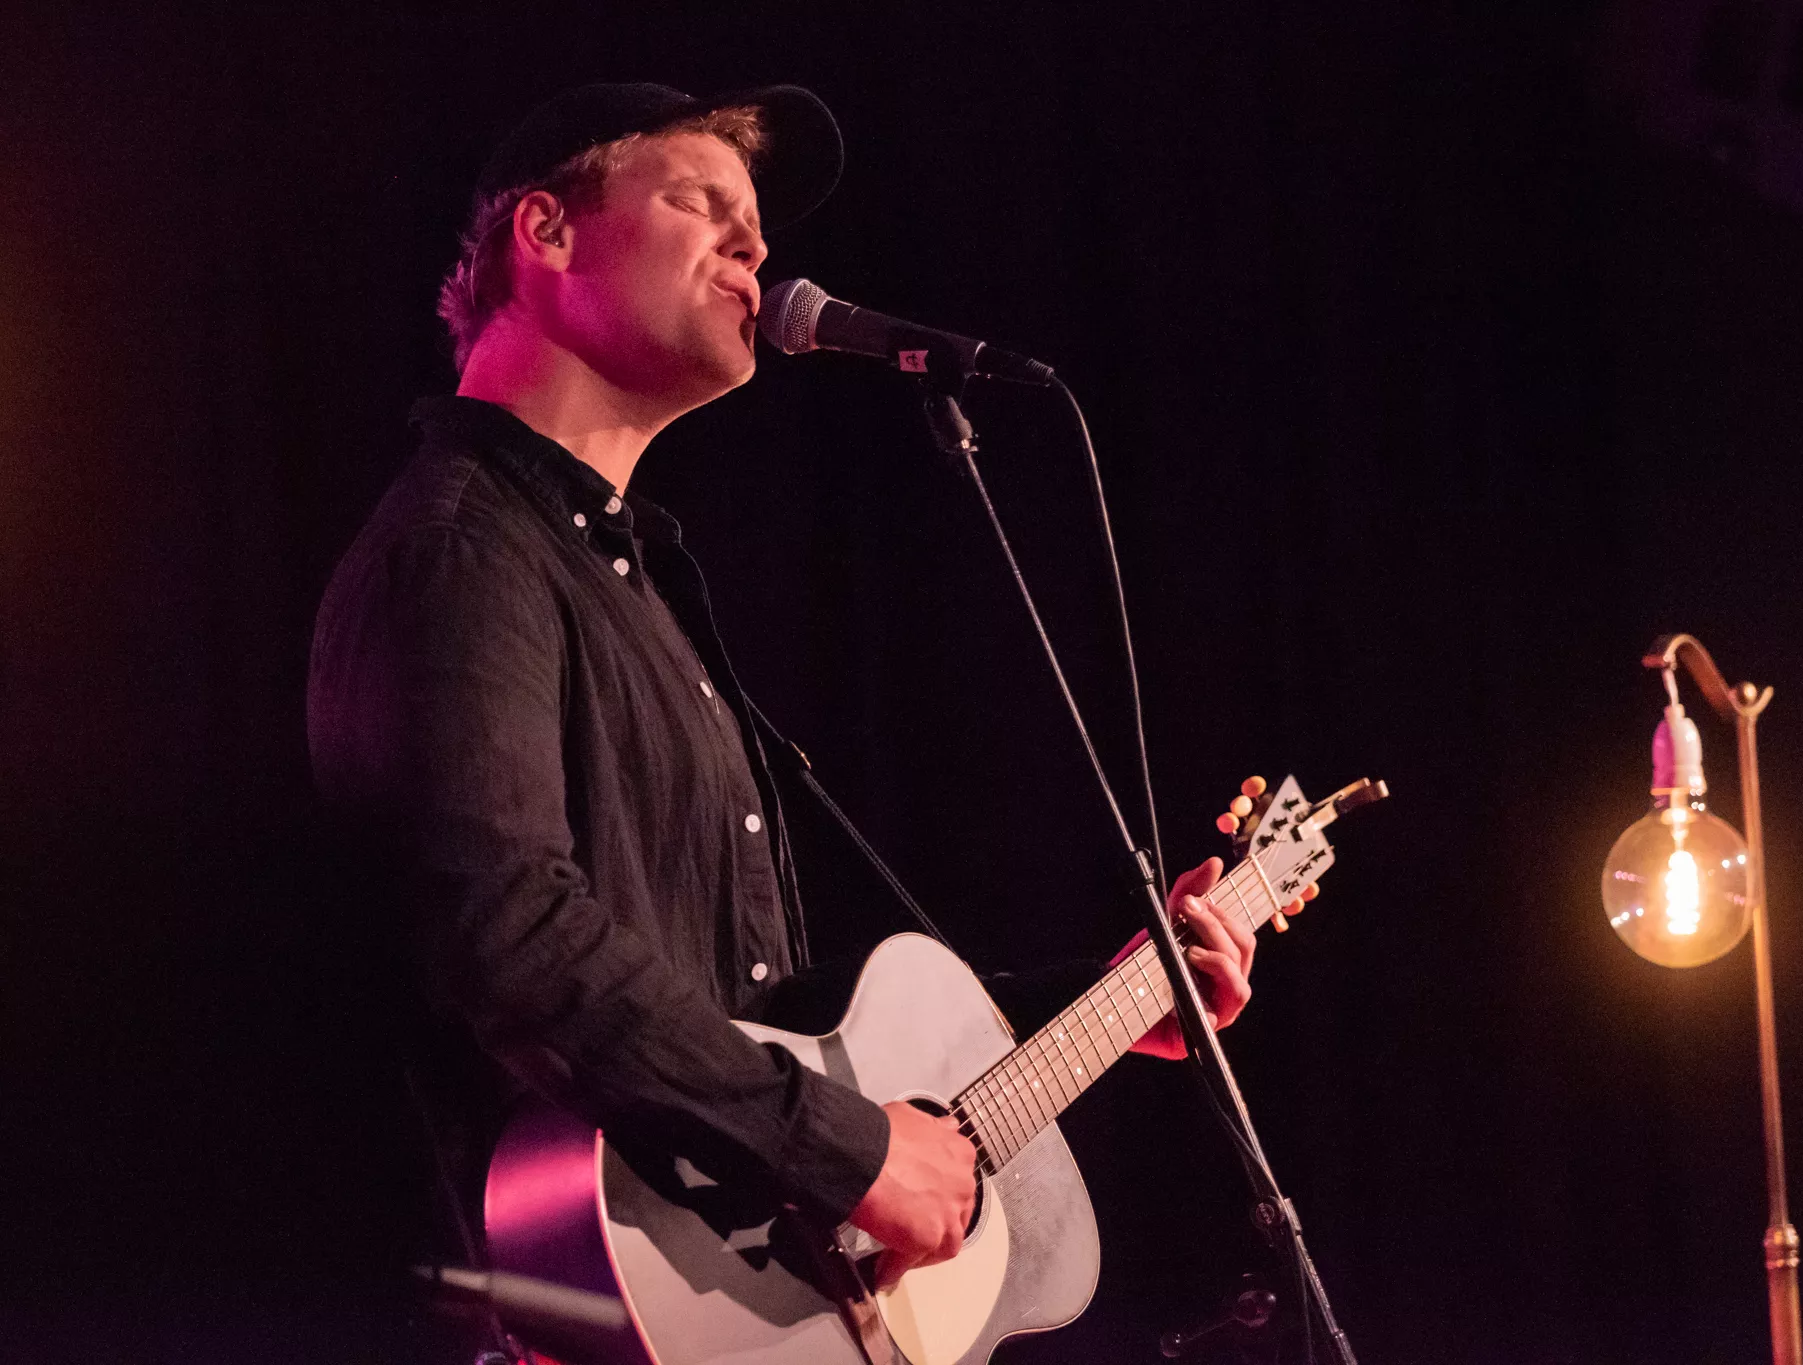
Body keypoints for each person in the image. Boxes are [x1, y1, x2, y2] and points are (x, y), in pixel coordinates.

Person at [307, 81, 1280, 1295]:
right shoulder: (460, 549)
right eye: (698, 201)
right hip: (563, 1297)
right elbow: (504, 934)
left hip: (712, 1284)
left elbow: (759, 1022)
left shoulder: (634, 585)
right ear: (545, 233)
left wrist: (1113, 1001)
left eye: (757, 225)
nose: (756, 248)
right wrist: (843, 1151)